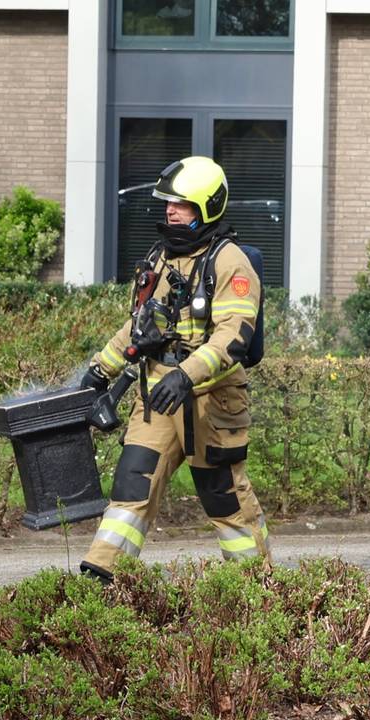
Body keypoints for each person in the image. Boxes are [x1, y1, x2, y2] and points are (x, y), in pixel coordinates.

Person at [78, 156, 270, 582]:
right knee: (131, 487)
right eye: (167, 203)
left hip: (212, 402)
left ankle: (257, 592)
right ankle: (99, 583)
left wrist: (187, 374)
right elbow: (140, 324)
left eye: (180, 204)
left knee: (225, 500)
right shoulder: (162, 257)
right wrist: (100, 371)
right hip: (159, 395)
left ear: (206, 208)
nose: (169, 210)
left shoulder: (231, 262)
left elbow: (232, 337)